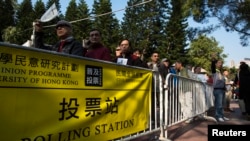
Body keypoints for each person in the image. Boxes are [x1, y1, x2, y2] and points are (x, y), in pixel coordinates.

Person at [211, 53, 229, 122]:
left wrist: (225, 88)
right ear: (215, 64)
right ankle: (218, 116)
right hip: (217, 90)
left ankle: (222, 115)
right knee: (218, 104)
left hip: (222, 90)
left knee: (222, 104)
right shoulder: (214, 71)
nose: (220, 64)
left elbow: (223, 81)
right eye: (218, 63)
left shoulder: (221, 72)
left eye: (221, 63)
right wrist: (213, 59)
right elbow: (212, 65)